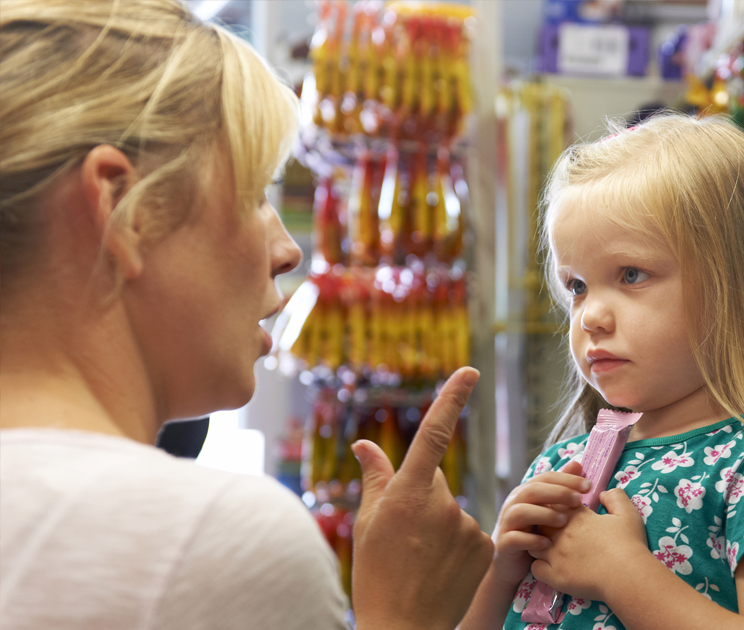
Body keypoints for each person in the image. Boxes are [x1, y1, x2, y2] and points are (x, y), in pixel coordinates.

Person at [0, 1, 491, 629]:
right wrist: (402, 617)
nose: (287, 250)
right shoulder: (208, 544)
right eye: (255, 194)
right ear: (126, 210)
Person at [459, 114, 744, 630]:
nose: (590, 316)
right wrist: (499, 569)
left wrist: (623, 574)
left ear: (740, 287)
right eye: (577, 286)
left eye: (631, 275)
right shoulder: (560, 467)